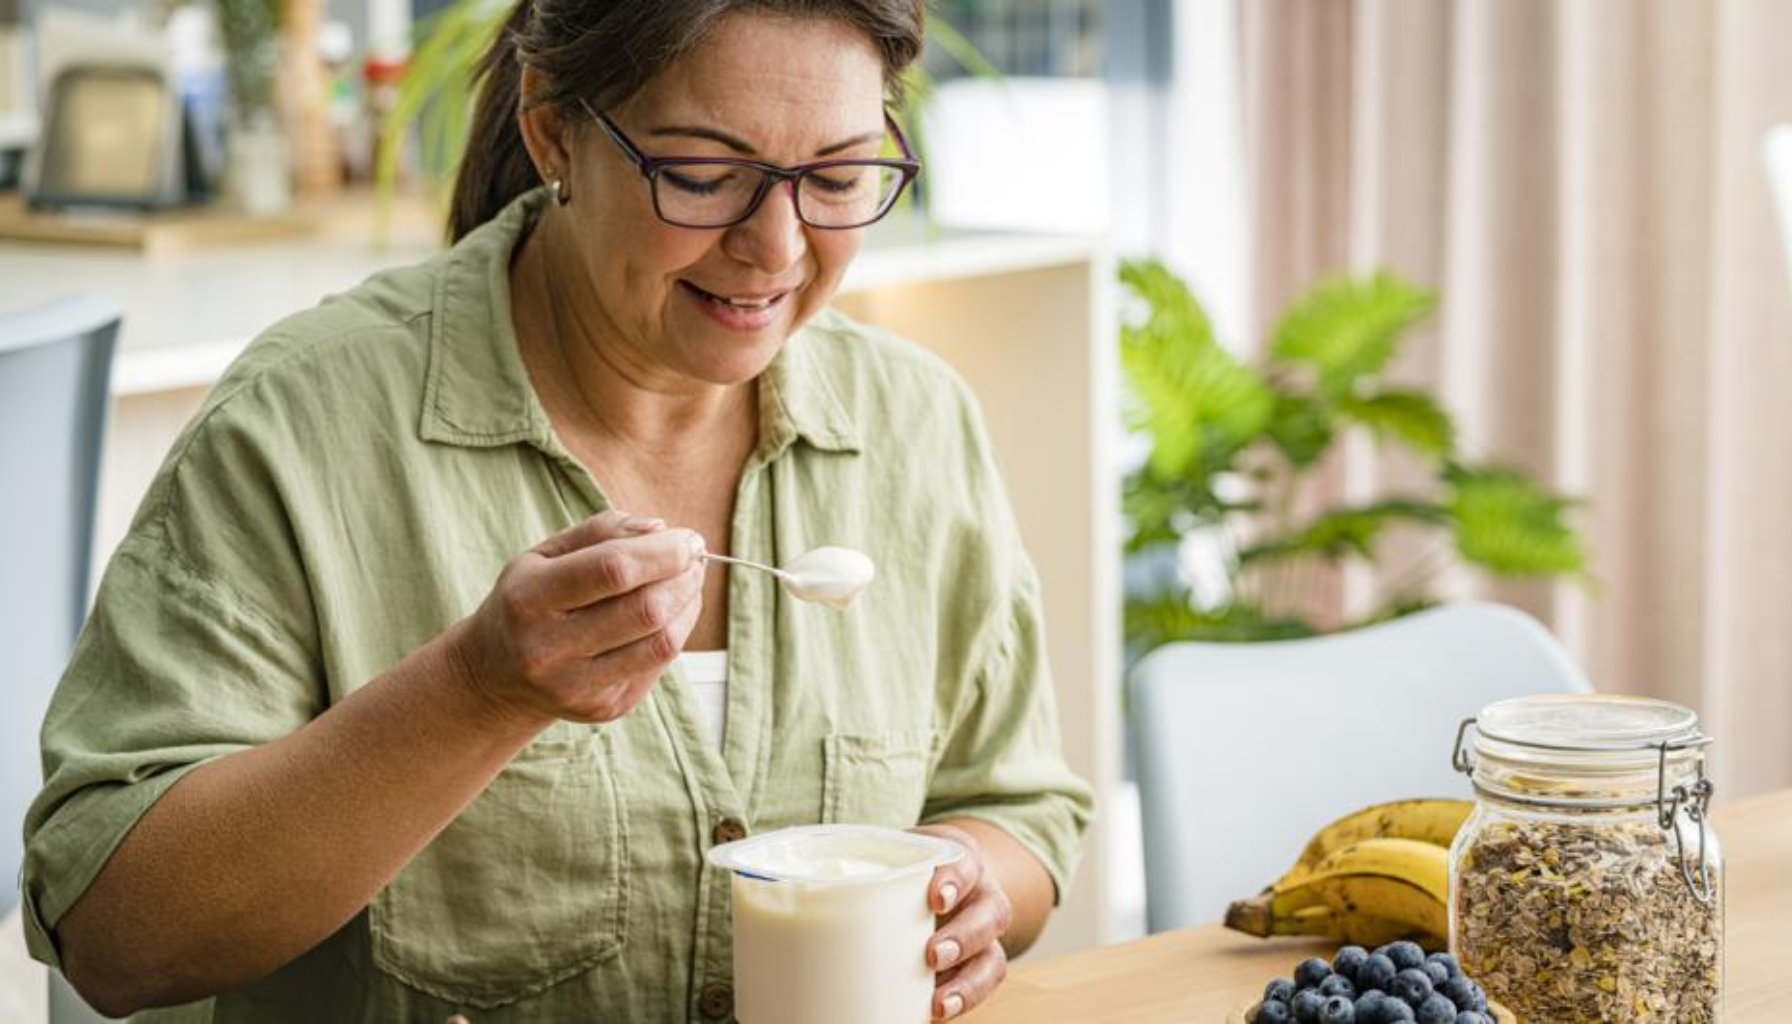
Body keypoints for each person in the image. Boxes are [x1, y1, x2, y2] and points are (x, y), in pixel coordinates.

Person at [19, 1, 1094, 1020]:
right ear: (551, 134)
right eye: (702, 174)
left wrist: (971, 886)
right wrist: (472, 692)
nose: (776, 246)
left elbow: (1021, 809)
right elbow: (114, 935)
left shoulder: (914, 422)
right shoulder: (305, 424)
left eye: (839, 174)